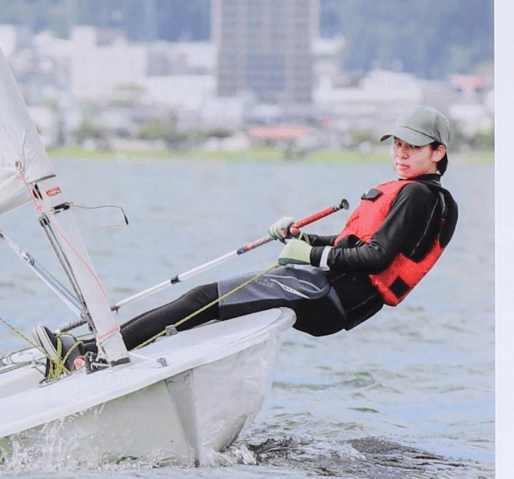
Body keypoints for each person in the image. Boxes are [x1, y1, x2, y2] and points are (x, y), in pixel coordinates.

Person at [35, 106, 458, 372]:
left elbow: (376, 258)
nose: (400, 153)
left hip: (331, 295)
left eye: (412, 147)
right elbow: (352, 243)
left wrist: (309, 254)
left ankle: (92, 356)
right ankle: (101, 350)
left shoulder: (419, 195)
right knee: (208, 303)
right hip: (333, 295)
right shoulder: (424, 196)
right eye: (397, 144)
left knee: (203, 298)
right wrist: (300, 237)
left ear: (438, 152)